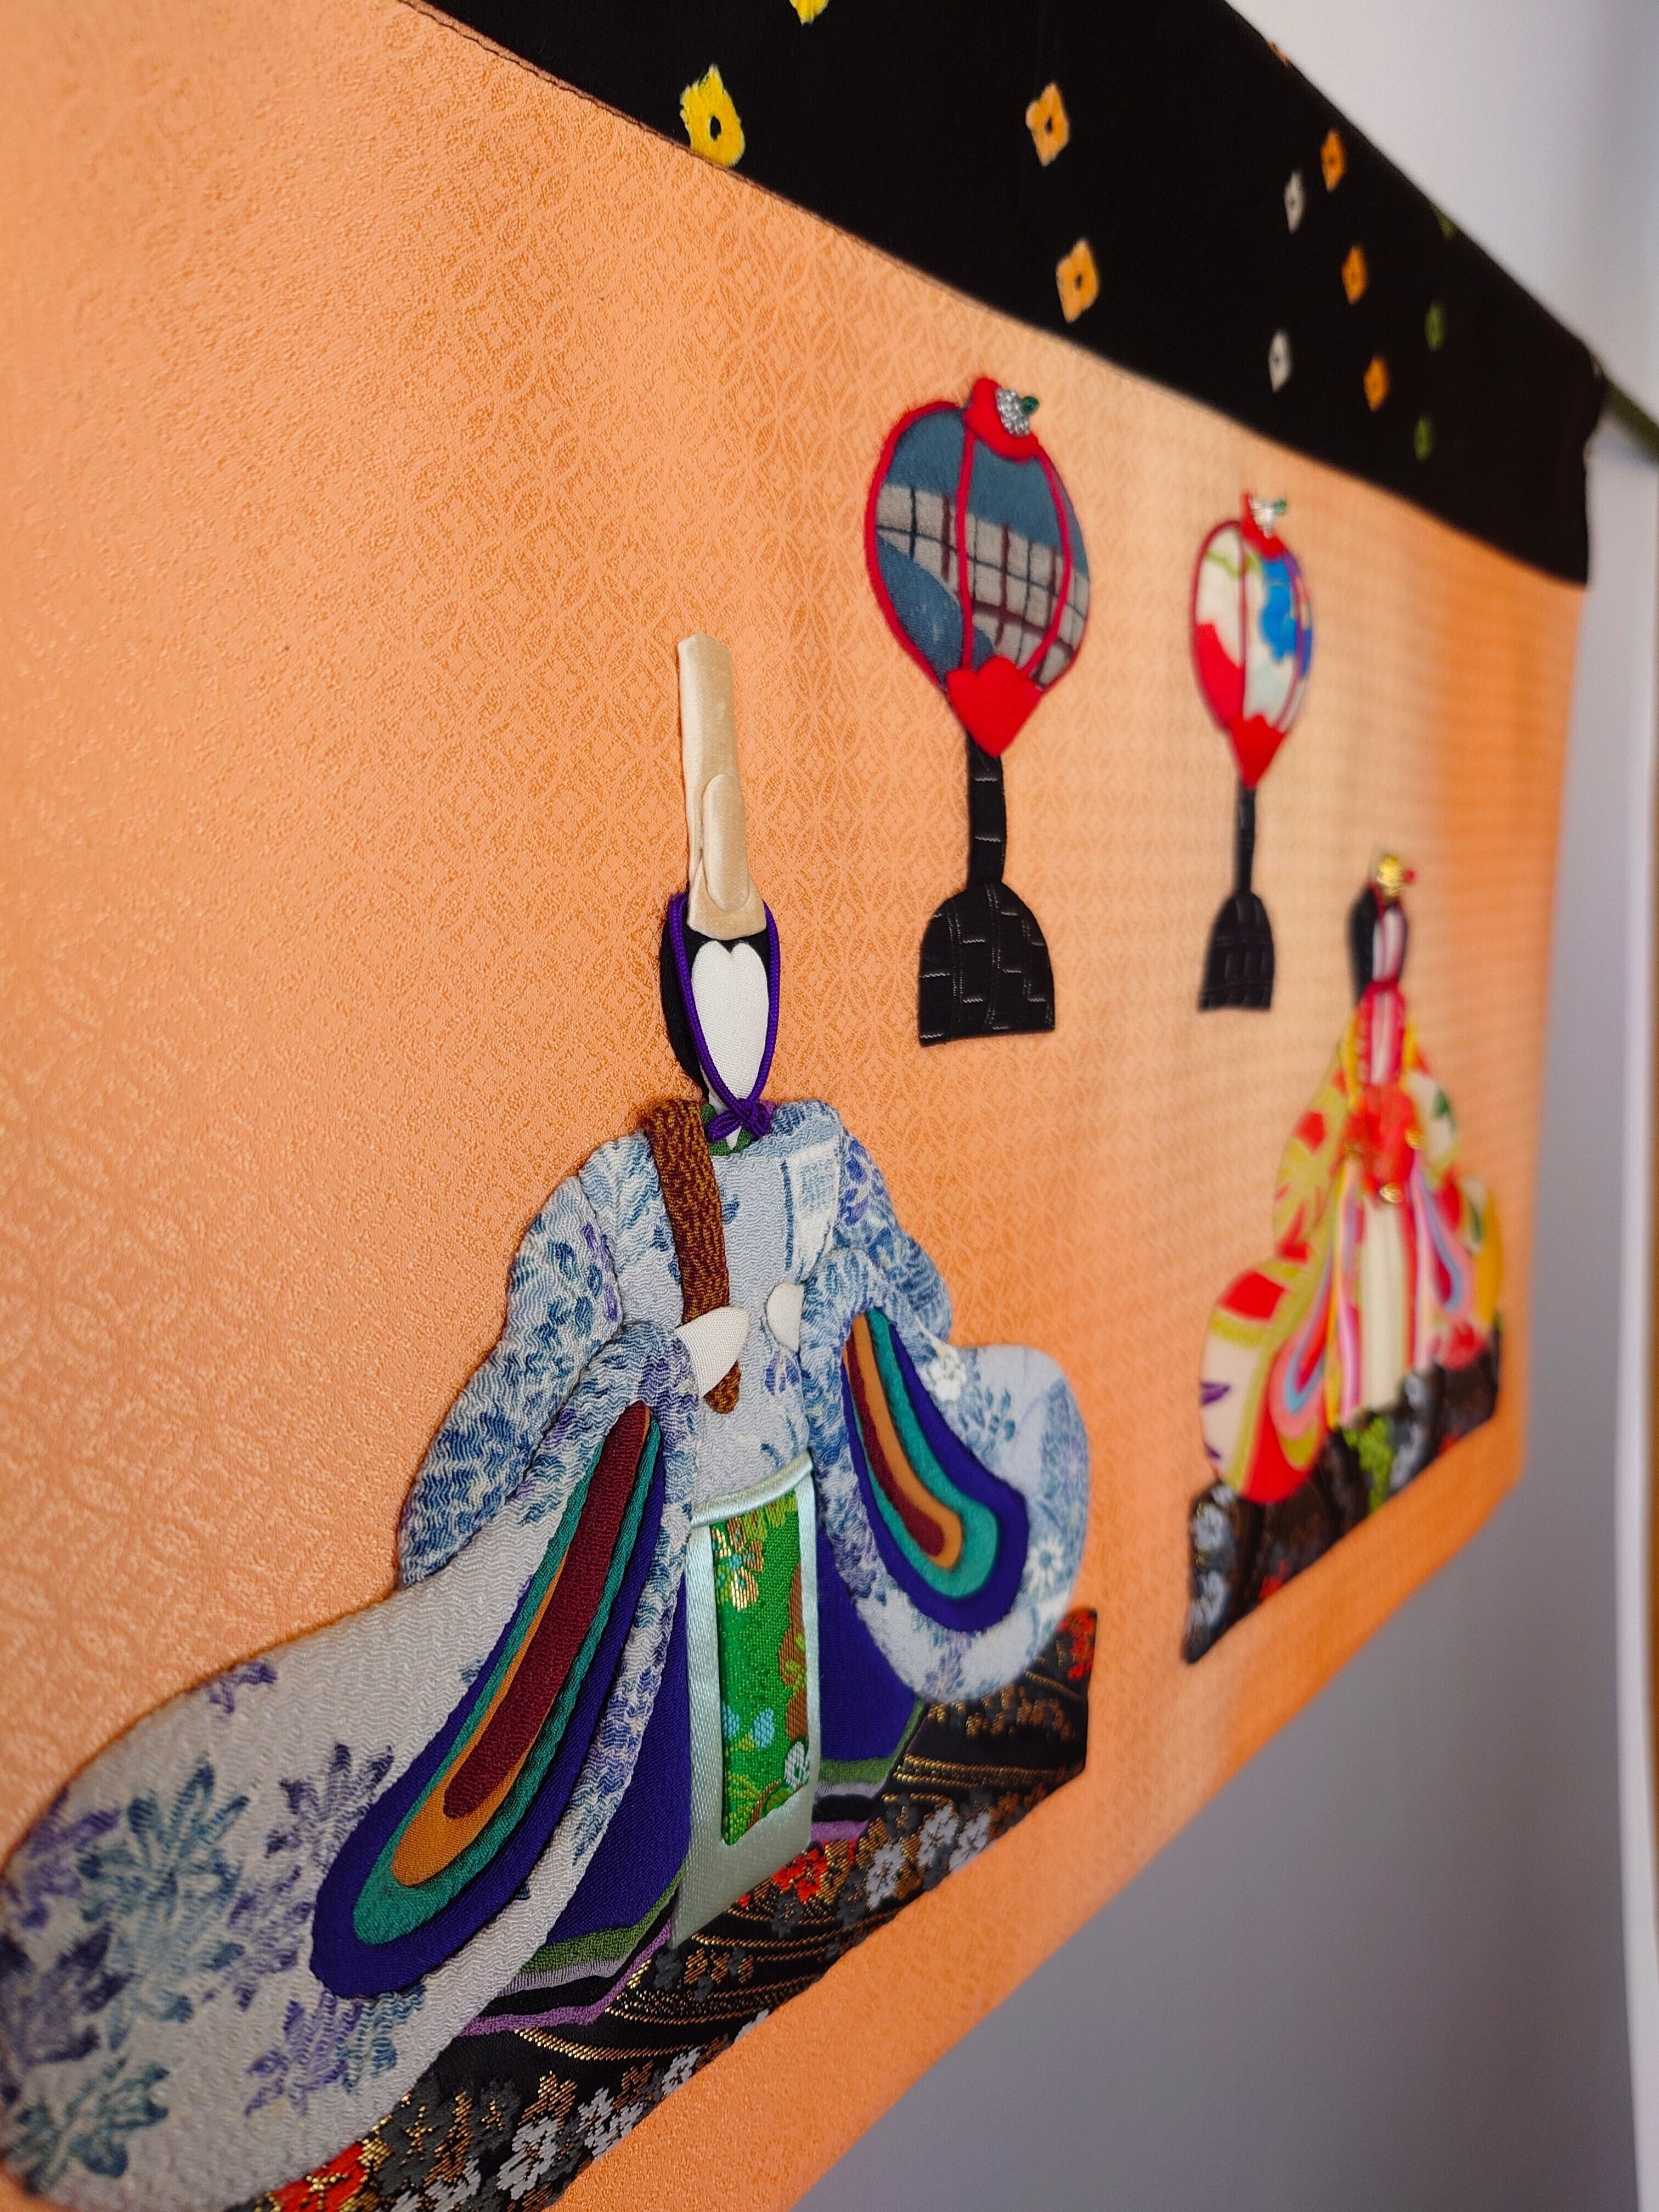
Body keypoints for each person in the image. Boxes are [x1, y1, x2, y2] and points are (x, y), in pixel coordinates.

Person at [1186, 853, 1502, 1660]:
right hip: (1359, 1193)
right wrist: (1355, 1142)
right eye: (1384, 928)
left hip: (1399, 1188)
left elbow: (1427, 1092)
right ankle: (1361, 1407)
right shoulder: (1360, 1034)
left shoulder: (1402, 1026)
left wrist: (1415, 1132)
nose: (1390, 947)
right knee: (1360, 1310)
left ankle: (1390, 1404)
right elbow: (1330, 1107)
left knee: (1403, 1301)